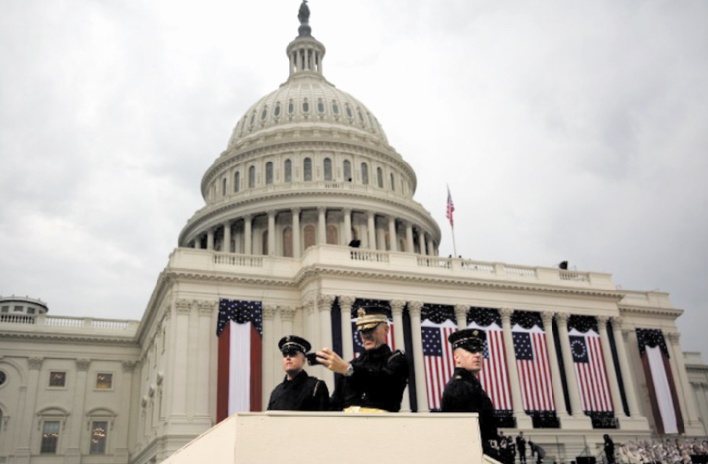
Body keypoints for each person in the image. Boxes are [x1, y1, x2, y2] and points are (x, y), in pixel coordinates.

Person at [316, 306, 409, 412]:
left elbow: (384, 385)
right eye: (362, 331)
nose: (366, 335)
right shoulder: (353, 364)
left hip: (381, 424)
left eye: (371, 329)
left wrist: (349, 370)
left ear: (386, 329)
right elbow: (336, 404)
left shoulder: (396, 360)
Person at [441, 328, 499, 459]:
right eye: (471, 350)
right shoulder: (459, 387)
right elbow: (466, 436)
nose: (477, 355)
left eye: (479, 350)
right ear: (457, 357)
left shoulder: (471, 386)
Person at [267, 335, 329, 411]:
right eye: (285, 354)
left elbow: (324, 420)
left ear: (303, 359)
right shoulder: (276, 392)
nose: (288, 357)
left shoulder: (315, 387)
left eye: (293, 353)